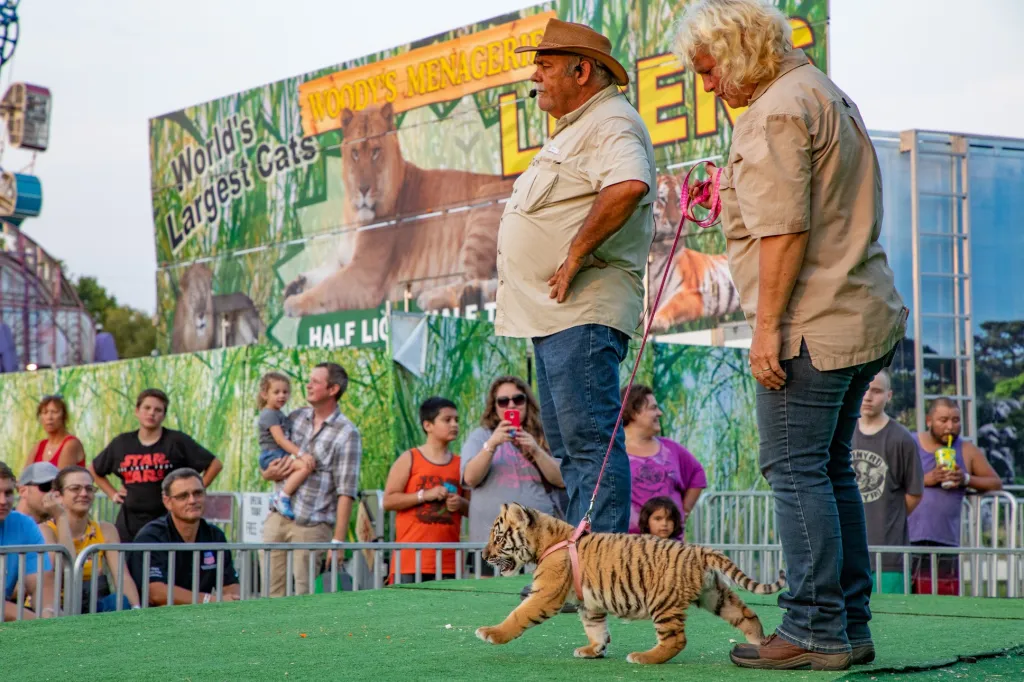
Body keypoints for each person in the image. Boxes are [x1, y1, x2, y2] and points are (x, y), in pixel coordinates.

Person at [675, 0, 908, 670]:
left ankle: (811, 630)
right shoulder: (822, 91)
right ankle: (847, 626)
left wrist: (766, 332)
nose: (708, 84)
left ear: (740, 49)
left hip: (812, 326)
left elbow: (785, 234)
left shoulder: (776, 110)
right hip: (863, 311)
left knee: (794, 468)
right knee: (827, 468)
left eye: (709, 68)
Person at [493, 18, 656, 535]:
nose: (534, 77)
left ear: (581, 70)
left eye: (543, 66)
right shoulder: (580, 127)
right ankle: (579, 564)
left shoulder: (610, 121)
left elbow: (628, 185)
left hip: (581, 312)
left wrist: (575, 256)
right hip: (556, 315)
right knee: (572, 449)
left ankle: (599, 570)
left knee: (589, 446)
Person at [260, 362, 362, 597]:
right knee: (270, 595)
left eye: (315, 381)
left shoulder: (347, 433)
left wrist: (337, 542)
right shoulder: (294, 417)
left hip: (312, 526)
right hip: (277, 519)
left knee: (305, 598)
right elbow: (271, 460)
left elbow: (346, 491)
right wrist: (268, 473)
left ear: (333, 389)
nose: (308, 385)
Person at [89, 388, 223, 542]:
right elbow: (93, 469)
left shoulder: (176, 441)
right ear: (137, 411)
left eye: (158, 410)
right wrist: (112, 493)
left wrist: (192, 492)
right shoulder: (122, 443)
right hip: (129, 524)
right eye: (147, 408)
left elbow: (215, 464)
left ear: (164, 415)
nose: (151, 413)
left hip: (167, 522)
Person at [908, 397, 1002, 595]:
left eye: (956, 420)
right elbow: (891, 479)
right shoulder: (910, 443)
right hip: (905, 538)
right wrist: (926, 479)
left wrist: (965, 478)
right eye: (943, 420)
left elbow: (995, 482)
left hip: (945, 541)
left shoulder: (966, 449)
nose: (950, 426)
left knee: (942, 603)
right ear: (929, 421)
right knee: (901, 599)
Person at [461, 376, 565, 553]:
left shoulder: (544, 437)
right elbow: (470, 479)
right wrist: (492, 444)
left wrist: (535, 450)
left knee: (539, 581)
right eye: (503, 401)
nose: (511, 406)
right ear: (494, 406)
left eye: (518, 399)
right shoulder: (481, 436)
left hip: (538, 539)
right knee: (490, 582)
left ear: (527, 402)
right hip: (492, 540)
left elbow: (562, 480)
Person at [850, 369, 923, 594]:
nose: (868, 396)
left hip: (890, 556)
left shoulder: (902, 439)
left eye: (877, 391)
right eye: (864, 389)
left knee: (894, 620)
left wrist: (889, 517)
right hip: (848, 552)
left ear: (888, 396)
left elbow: (914, 494)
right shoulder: (843, 433)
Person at [384, 396, 468, 584]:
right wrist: (424, 495)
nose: (454, 424)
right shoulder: (410, 458)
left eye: (456, 420)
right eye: (447, 420)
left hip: (449, 563)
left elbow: (472, 509)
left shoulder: (461, 464)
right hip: (410, 562)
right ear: (428, 425)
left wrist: (460, 503)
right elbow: (388, 501)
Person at [128, 468, 240, 606]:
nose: (192, 500)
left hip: (202, 618)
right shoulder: (151, 537)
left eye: (198, 493)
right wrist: (209, 600)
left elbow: (229, 584)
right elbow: (156, 593)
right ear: (167, 501)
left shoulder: (215, 535)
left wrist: (233, 599)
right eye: (183, 496)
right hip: (155, 620)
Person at [45, 465, 142, 613]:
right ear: (58, 496)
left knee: (118, 602)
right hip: (56, 606)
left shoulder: (106, 530)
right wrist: (61, 517)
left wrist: (137, 610)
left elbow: (122, 575)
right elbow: (67, 569)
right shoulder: (46, 530)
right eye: (75, 488)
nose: (84, 493)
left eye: (89, 489)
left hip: (92, 603)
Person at [621, 384, 707, 538]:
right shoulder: (613, 452)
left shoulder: (671, 449)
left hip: (670, 547)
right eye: (653, 408)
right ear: (634, 411)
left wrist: (683, 512)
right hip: (629, 547)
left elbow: (697, 475)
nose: (659, 413)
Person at [0, 461, 57, 620]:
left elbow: (42, 583)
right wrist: (38, 624)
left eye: (8, 492)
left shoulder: (24, 524)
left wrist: (48, 611)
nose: (3, 501)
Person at [256, 371, 315, 520]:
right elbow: (281, 440)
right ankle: (282, 497)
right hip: (273, 454)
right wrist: (302, 454)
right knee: (305, 466)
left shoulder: (278, 413)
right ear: (264, 394)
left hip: (277, 453)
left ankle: (282, 496)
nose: (282, 396)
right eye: (276, 392)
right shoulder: (269, 414)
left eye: (285, 392)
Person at [25, 395, 86, 470]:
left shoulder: (71, 444)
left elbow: (61, 479)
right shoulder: (39, 446)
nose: (49, 417)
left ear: (64, 416)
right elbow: (24, 478)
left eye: (54, 412)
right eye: (45, 412)